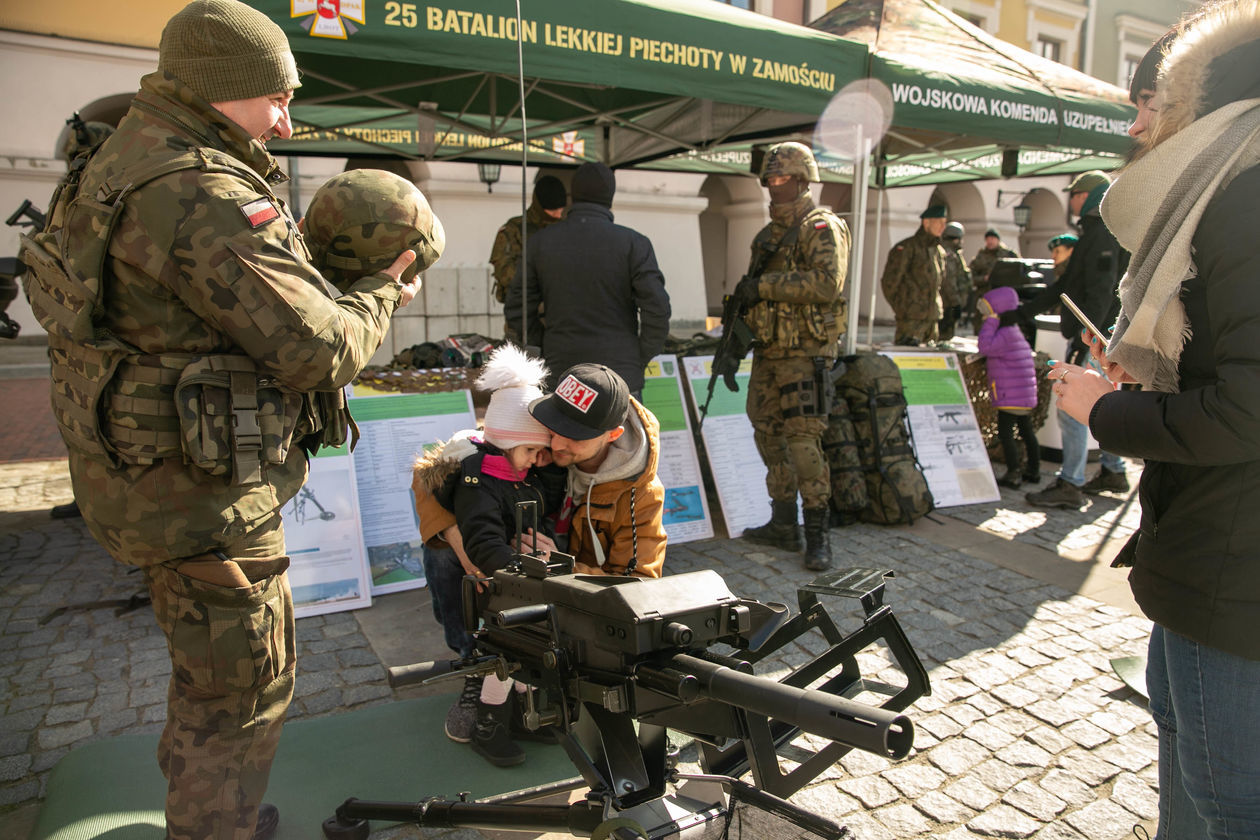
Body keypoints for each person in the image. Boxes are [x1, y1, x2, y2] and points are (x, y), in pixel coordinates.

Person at [20, 2, 427, 837]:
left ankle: (206, 806)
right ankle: (216, 825)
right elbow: (321, 350)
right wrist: (388, 285)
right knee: (242, 689)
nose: (287, 116)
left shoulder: (116, 158)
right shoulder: (195, 188)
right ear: (217, 89)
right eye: (274, 96)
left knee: (206, 670)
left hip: (143, 483)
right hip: (202, 499)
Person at [1050, 3, 1260, 835]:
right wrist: (1142, 379)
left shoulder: (1244, 198)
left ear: (1204, 102)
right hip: (1207, 558)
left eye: (1151, 101)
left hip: (1233, 574)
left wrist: (1110, 412)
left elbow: (1250, 407)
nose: (1137, 125)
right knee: (1192, 791)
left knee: (1225, 805)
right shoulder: (1227, 188)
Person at [411, 363, 667, 740]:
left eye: (575, 437)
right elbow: (432, 472)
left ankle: (540, 667)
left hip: (573, 589)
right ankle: (476, 663)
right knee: (446, 552)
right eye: (555, 427)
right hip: (508, 555)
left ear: (612, 434)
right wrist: (458, 538)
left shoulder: (641, 494)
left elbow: (641, 585)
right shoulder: (529, 427)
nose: (557, 444)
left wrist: (563, 567)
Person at [412, 345, 564, 767]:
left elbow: (539, 522)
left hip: (519, 582)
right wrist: (515, 570)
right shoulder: (479, 481)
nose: (538, 460)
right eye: (532, 450)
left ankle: (518, 719)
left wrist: (546, 548)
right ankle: (488, 725)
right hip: (502, 583)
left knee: (522, 656)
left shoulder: (519, 478)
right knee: (501, 656)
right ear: (510, 440)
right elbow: (481, 539)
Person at [731, 141, 849, 570]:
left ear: (801, 180)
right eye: (768, 179)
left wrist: (762, 287)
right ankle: (783, 522)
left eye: (779, 179)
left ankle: (818, 533)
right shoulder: (766, 236)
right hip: (768, 352)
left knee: (803, 442)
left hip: (805, 353)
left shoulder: (821, 227)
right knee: (767, 433)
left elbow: (825, 284)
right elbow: (753, 297)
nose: (771, 187)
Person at [1013, 170, 1129, 509]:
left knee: (1074, 408)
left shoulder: (1102, 230)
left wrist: (1085, 337)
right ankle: (1113, 469)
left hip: (1094, 336)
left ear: (1087, 195)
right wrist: (1025, 311)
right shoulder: (1105, 227)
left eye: (1074, 195)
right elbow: (1065, 288)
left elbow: (1100, 290)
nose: (1071, 201)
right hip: (1101, 335)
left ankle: (1071, 482)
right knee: (1104, 404)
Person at [505, 162, 671, 396]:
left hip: (561, 370)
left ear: (573, 196)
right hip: (619, 374)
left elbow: (517, 308)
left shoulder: (541, 243)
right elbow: (658, 309)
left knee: (562, 433)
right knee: (621, 434)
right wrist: (638, 354)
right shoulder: (635, 244)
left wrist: (544, 345)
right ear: (610, 197)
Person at [490, 174, 566, 343]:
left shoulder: (565, 229)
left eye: (561, 209)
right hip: (524, 317)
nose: (558, 214)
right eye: (553, 210)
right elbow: (505, 273)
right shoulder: (514, 229)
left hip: (559, 319)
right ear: (540, 206)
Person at [976, 286, 1039, 489]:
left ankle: (1013, 473)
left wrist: (991, 321)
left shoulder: (1004, 332)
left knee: (1006, 433)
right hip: (1022, 393)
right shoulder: (1014, 331)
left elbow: (985, 346)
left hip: (1009, 395)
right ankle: (1033, 470)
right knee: (1026, 431)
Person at [880, 205, 946, 346]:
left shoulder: (938, 252)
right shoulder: (907, 248)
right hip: (911, 320)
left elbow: (940, 284)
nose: (943, 226)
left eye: (944, 222)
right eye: (939, 221)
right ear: (926, 222)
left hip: (932, 319)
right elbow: (889, 282)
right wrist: (903, 308)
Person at [939, 220, 972, 340]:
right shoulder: (950, 255)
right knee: (944, 337)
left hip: (947, 303)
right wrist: (956, 303)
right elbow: (949, 282)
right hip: (948, 305)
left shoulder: (952, 253)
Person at [969, 228, 1018, 296]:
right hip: (986, 293)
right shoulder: (980, 257)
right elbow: (969, 277)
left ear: (998, 240)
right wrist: (984, 279)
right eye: (987, 239)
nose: (990, 242)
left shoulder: (1009, 255)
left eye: (992, 239)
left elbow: (1018, 272)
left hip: (1005, 293)